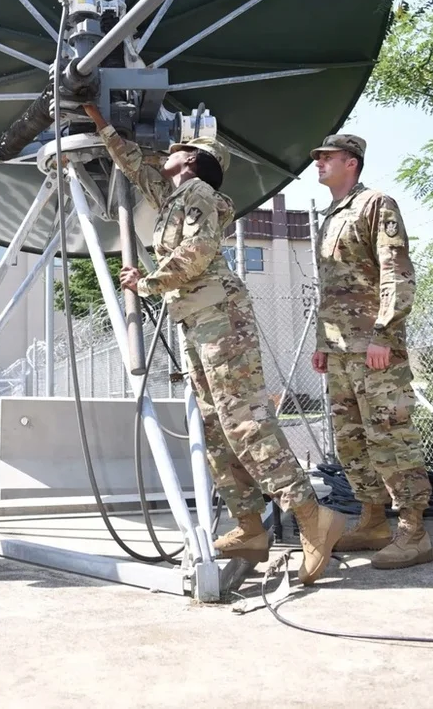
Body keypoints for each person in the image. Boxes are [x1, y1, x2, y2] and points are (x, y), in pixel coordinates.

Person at [83, 104, 345, 585]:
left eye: (176, 149)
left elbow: (198, 251)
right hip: (197, 320)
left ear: (191, 161)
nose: (167, 151)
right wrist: (100, 123)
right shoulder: (175, 197)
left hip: (221, 318)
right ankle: (249, 527)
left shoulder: (199, 193)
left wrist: (148, 282)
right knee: (216, 429)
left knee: (245, 422)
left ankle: (312, 516)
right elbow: (137, 168)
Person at [311, 134, 433, 569]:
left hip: (374, 348)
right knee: (352, 441)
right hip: (342, 350)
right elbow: (331, 289)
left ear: (352, 162)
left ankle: (413, 532)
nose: (319, 163)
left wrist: (384, 333)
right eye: (319, 158)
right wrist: (323, 343)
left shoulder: (376, 204)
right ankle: (373, 520)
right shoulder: (331, 216)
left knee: (390, 436)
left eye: (328, 157)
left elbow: (397, 272)